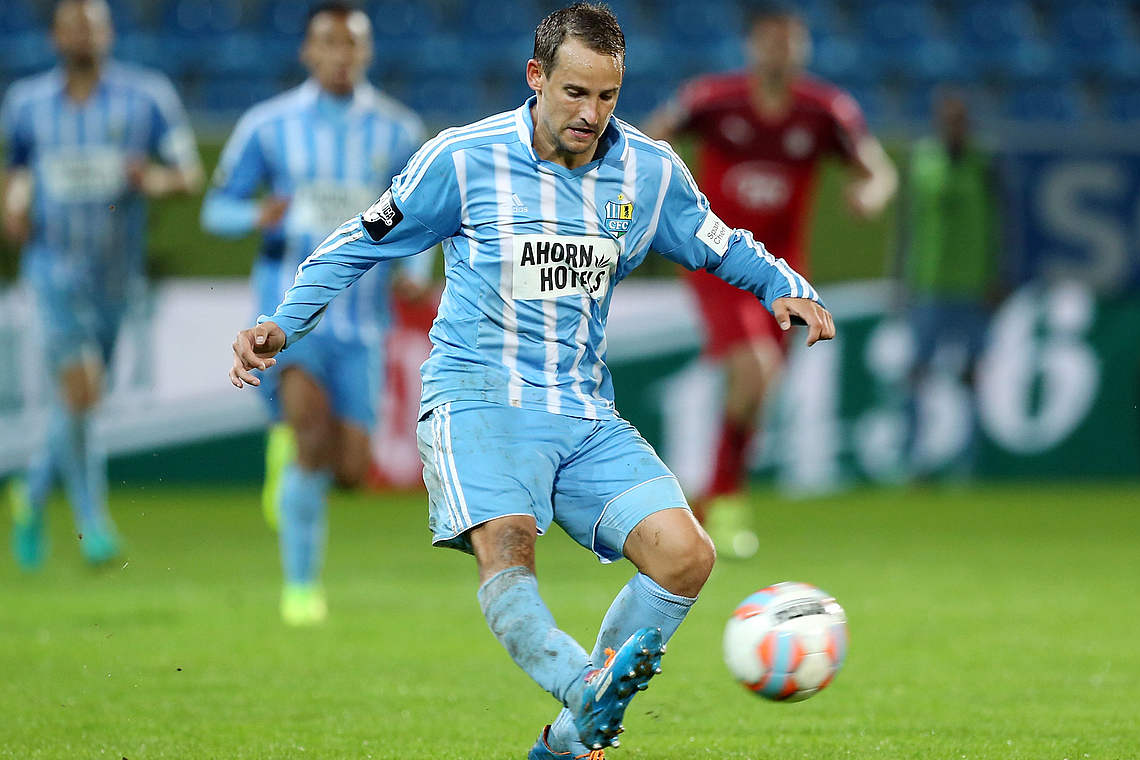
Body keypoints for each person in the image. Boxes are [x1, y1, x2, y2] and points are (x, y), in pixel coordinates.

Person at [228, 3, 834, 755]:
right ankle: (590, 693)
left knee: (687, 556)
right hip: (476, 400)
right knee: (509, 545)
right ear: (535, 77)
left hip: (581, 409)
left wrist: (781, 284)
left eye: (608, 96)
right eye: (574, 93)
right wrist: (283, 323)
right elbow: (362, 241)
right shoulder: (464, 158)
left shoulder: (645, 170)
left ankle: (566, 741)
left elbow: (717, 241)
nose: (591, 113)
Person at [201, 2, 430, 626]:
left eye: (351, 44)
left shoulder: (397, 131)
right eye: (328, 42)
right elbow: (214, 209)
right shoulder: (267, 126)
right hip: (287, 316)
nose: (340, 55)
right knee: (310, 436)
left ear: (367, 52)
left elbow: (420, 218)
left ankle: (290, 468)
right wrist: (255, 215)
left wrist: (414, 274)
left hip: (361, 323)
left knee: (352, 470)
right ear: (307, 51)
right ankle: (301, 590)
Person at [642, 5, 896, 559]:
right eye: (772, 39)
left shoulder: (825, 111)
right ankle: (724, 504)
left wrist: (869, 196)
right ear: (753, 45)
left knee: (763, 385)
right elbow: (647, 142)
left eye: (793, 40)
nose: (782, 50)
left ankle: (717, 502)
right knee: (755, 369)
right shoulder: (712, 99)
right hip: (719, 262)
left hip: (783, 273)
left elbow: (879, 171)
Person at [2, 0, 201, 570]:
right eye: (72, 25)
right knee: (84, 390)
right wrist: (12, 209)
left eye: (92, 23)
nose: (82, 34)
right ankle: (95, 523)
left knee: (83, 403)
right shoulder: (27, 104)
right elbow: (16, 173)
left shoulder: (148, 97)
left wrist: (152, 180)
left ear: (109, 33)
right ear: (55, 36)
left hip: (116, 275)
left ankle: (31, 494)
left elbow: (187, 174)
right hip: (51, 268)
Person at [897, 91, 1006, 480]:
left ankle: (970, 466)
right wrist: (900, 278)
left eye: (960, 119)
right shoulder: (923, 158)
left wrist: (998, 275)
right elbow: (907, 223)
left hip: (973, 285)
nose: (954, 126)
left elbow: (1002, 222)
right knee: (917, 374)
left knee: (972, 376)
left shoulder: (984, 162)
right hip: (928, 282)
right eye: (948, 119)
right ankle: (913, 463)